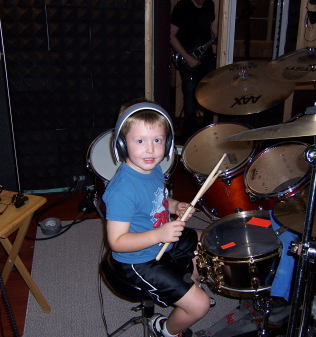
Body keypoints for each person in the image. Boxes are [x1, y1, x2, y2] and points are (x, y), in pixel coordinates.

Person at [102, 101, 210, 337]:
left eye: (158, 140)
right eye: (140, 141)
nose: (150, 150)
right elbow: (117, 242)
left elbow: (158, 201)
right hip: (137, 261)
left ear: (168, 143)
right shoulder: (122, 191)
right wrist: (159, 235)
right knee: (200, 306)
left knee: (207, 241)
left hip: (162, 239)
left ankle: (188, 284)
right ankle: (166, 330)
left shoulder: (154, 169)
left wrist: (175, 206)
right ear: (122, 144)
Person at [170, 0, 217, 141]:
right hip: (188, 59)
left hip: (208, 58)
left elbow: (206, 27)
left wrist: (214, 38)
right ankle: (190, 139)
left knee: (210, 97)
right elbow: (170, 35)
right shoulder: (182, 7)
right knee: (190, 101)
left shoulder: (210, 4)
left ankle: (209, 137)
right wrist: (188, 58)